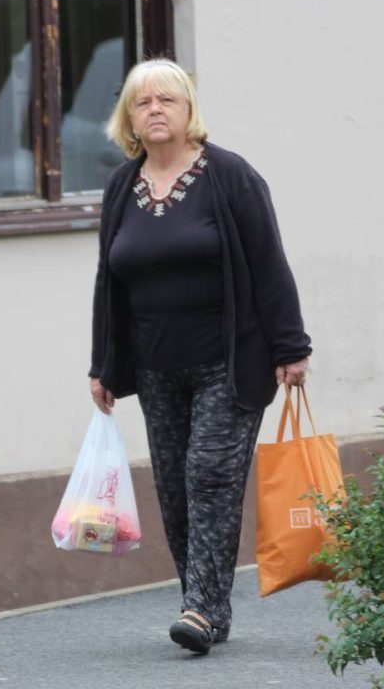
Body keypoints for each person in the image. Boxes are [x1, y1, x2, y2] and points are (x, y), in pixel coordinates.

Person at [88, 58, 311, 655]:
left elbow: (268, 261)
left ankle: (202, 610)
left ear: (189, 110)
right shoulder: (122, 187)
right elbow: (110, 281)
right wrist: (104, 363)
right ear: (129, 118)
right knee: (175, 489)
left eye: (168, 99)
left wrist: (291, 346)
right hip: (156, 366)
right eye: (143, 102)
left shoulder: (229, 176)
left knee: (209, 476)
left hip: (228, 362)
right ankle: (208, 605)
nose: (155, 110)